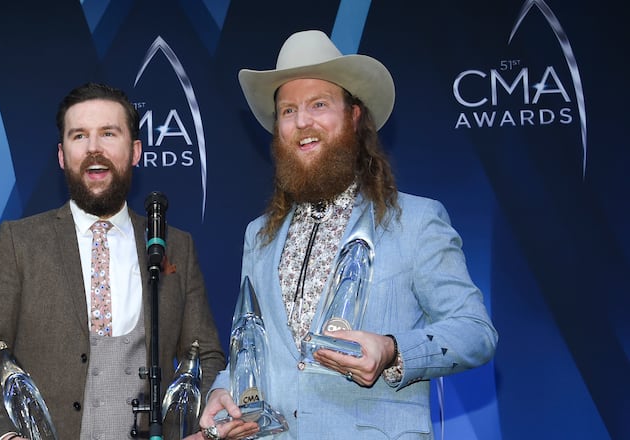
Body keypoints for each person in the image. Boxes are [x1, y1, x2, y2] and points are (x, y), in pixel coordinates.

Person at [197, 30, 499, 439]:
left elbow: (474, 331)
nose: (302, 122)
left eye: (318, 105)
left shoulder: (416, 220)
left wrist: (392, 349)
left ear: (354, 117)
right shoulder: (259, 236)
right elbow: (254, 348)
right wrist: (222, 391)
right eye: (287, 111)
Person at [0, 82, 226, 440]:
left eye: (108, 133)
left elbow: (206, 354)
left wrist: (201, 429)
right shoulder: (18, 242)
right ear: (61, 155)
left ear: (135, 151)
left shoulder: (175, 245)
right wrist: (4, 436)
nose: (94, 149)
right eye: (79, 136)